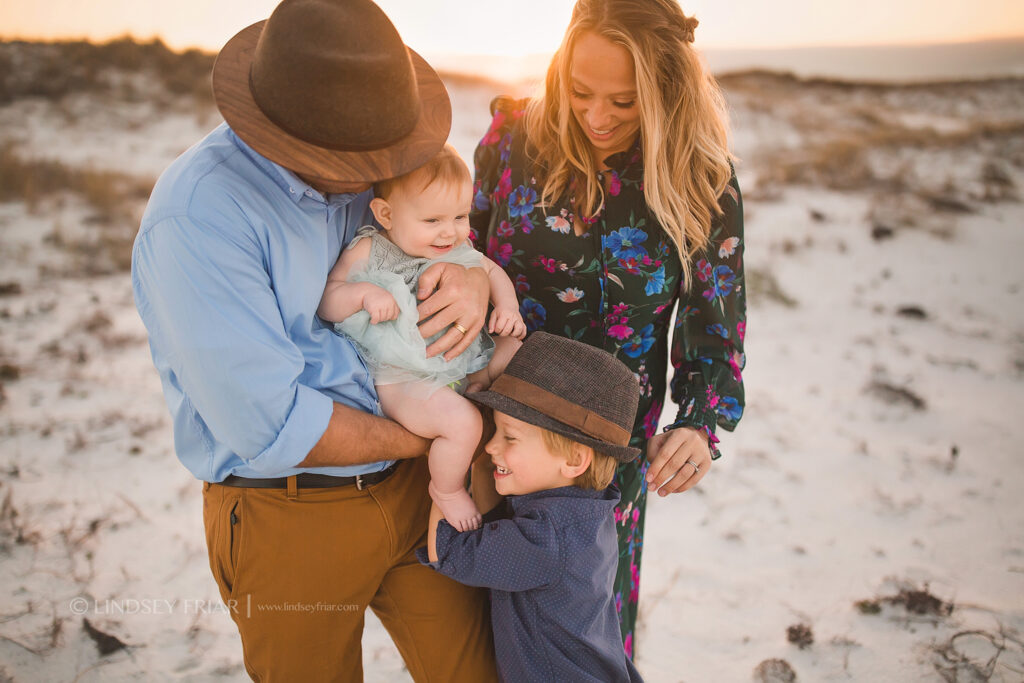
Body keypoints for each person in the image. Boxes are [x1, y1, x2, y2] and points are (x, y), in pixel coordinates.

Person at [131, 0, 499, 680]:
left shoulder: (373, 169)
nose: (378, 170)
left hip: (418, 484)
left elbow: (435, 237)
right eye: (358, 157)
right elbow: (269, 421)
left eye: (385, 150)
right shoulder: (199, 217)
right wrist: (433, 437)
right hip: (288, 510)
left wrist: (472, 280)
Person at [469, 0, 746, 658]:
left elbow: (717, 326)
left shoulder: (702, 179)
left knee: (584, 641)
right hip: (493, 435)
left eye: (624, 103)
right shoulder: (513, 142)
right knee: (474, 639)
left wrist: (699, 425)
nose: (596, 117)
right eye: (581, 91)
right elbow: (460, 252)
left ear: (666, 90)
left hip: (602, 466)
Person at [318, 144, 525, 532]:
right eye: (432, 220)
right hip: (402, 377)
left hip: (458, 357)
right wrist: (363, 295)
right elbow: (328, 300)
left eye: (461, 216)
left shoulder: (457, 246)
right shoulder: (370, 250)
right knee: (463, 423)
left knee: (517, 351)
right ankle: (446, 489)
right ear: (386, 214)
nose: (451, 231)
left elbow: (492, 270)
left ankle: (478, 383)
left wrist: (508, 308)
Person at [418, 332, 645, 682]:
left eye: (509, 436)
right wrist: (481, 460)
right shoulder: (590, 509)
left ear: (574, 460)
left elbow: (445, 550)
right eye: (494, 430)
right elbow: (494, 520)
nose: (492, 445)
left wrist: (446, 479)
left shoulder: (545, 538)